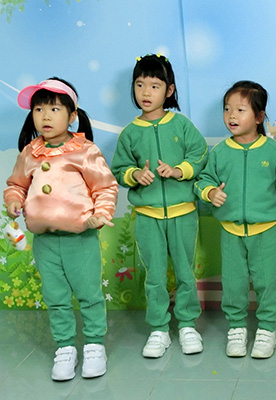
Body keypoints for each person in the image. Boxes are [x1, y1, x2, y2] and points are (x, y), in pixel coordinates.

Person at [4, 78, 119, 381]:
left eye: (54, 109)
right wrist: (14, 200)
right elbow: (17, 185)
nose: (45, 116)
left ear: (72, 115)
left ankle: (94, 345)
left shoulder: (84, 151)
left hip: (80, 239)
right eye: (39, 109)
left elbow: (105, 187)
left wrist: (100, 214)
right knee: (55, 297)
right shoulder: (30, 152)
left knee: (89, 294)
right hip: (45, 241)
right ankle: (65, 347)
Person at [194, 81, 276, 358]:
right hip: (231, 231)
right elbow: (203, 180)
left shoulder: (273, 150)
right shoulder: (220, 152)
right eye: (227, 109)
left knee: (268, 281)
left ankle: (267, 329)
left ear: (259, 117)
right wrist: (210, 192)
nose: (231, 115)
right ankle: (236, 328)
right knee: (234, 283)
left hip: (266, 230)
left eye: (240, 110)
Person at [111, 54, 208, 358]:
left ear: (169, 90)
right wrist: (135, 175)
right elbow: (119, 169)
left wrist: (179, 171)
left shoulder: (181, 124)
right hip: (147, 216)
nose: (146, 92)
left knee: (185, 271)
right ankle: (158, 329)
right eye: (140, 84)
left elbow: (200, 155)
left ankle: (188, 324)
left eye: (154, 86)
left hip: (183, 214)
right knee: (153, 274)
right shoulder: (129, 133)